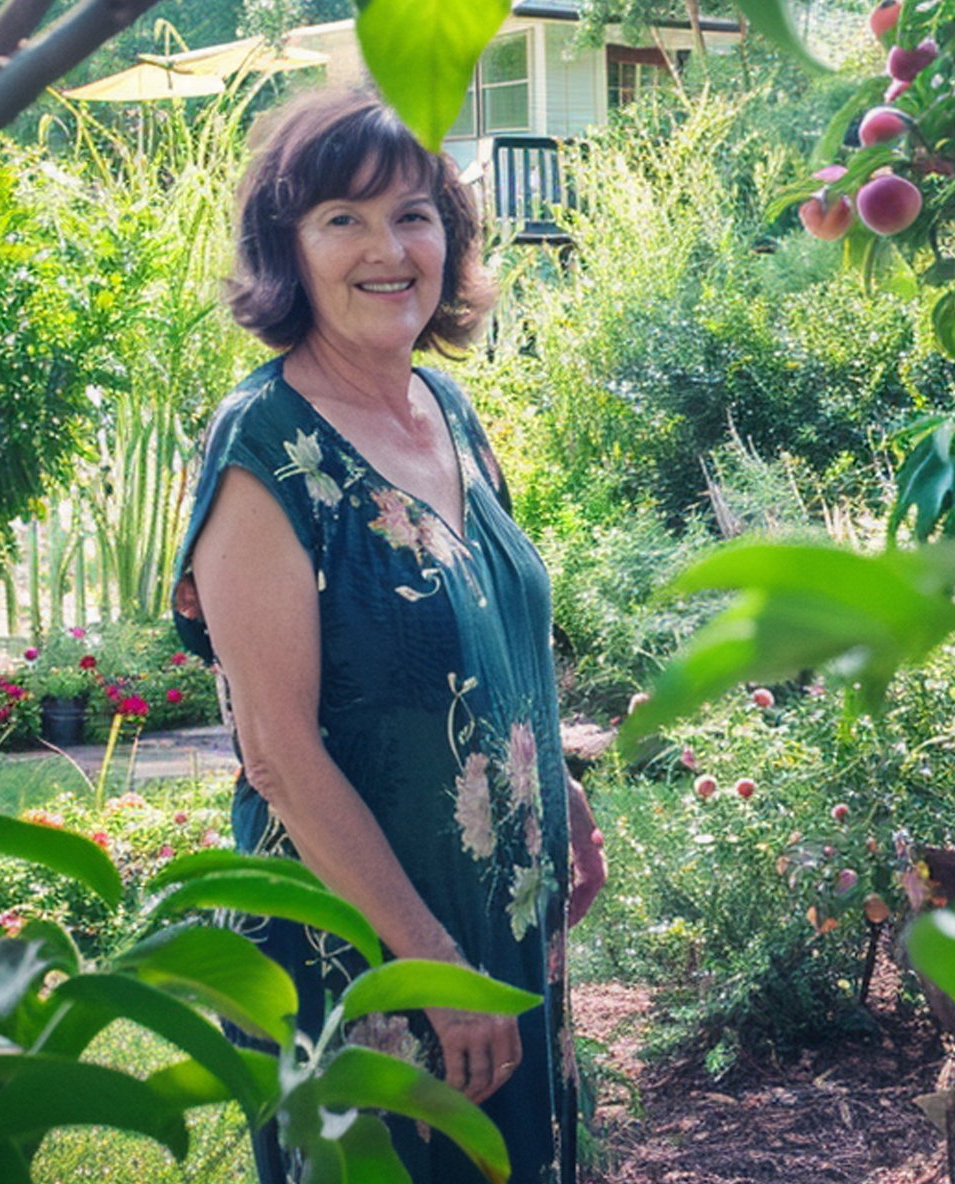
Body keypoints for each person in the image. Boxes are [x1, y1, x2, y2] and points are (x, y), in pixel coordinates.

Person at [171, 90, 606, 1184]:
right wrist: (431, 970)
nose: (387, 249)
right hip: (367, 952)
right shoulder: (263, 448)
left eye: (413, 215)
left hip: (495, 919)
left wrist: (563, 787)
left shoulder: (447, 411)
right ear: (288, 250)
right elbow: (275, 752)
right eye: (342, 220)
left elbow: (493, 638)